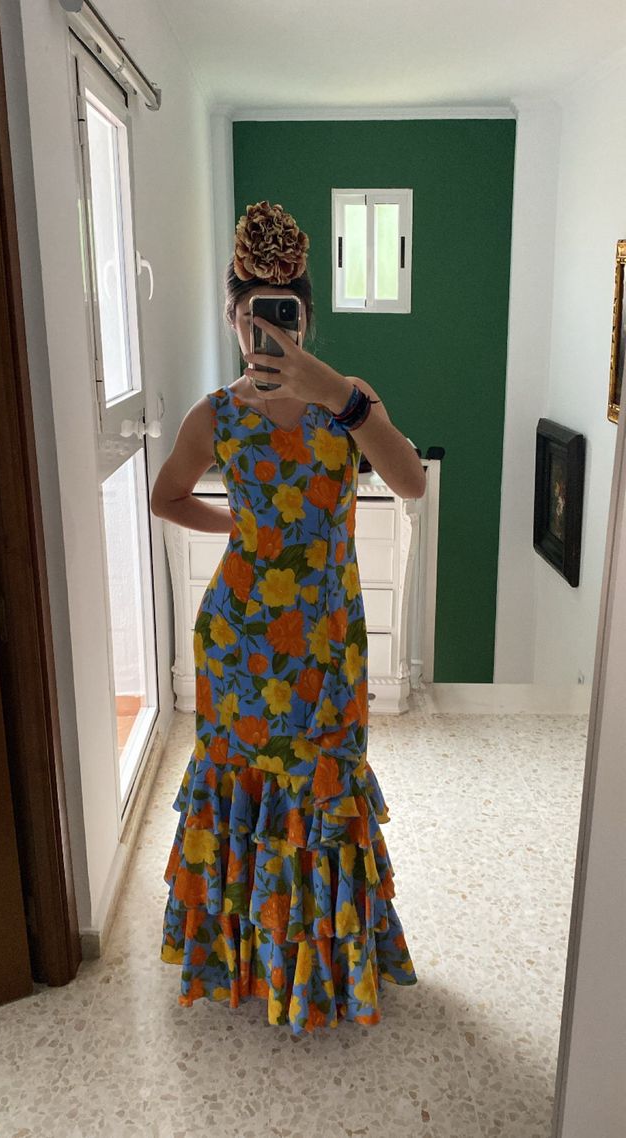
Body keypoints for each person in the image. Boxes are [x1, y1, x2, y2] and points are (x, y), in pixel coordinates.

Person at [151, 200, 426, 1036]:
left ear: (306, 318)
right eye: (251, 315)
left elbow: (411, 482)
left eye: (282, 315)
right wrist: (240, 528)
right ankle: (244, 959)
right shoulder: (215, 414)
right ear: (233, 320)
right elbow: (166, 496)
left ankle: (324, 965)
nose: (265, 330)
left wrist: (335, 393)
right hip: (239, 641)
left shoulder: (350, 402)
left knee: (323, 788)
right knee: (245, 789)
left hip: (327, 641)